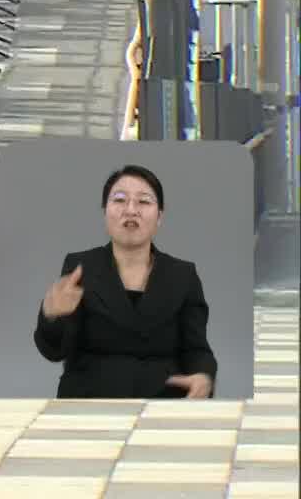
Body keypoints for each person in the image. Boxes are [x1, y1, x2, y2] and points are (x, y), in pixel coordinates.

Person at [33, 165, 217, 399]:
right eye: (119, 200)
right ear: (105, 212)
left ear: (160, 216)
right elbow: (54, 351)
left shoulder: (183, 274)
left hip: (162, 402)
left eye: (144, 201)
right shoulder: (81, 267)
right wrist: (51, 316)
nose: (131, 210)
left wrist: (203, 376)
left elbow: (197, 349)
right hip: (90, 400)